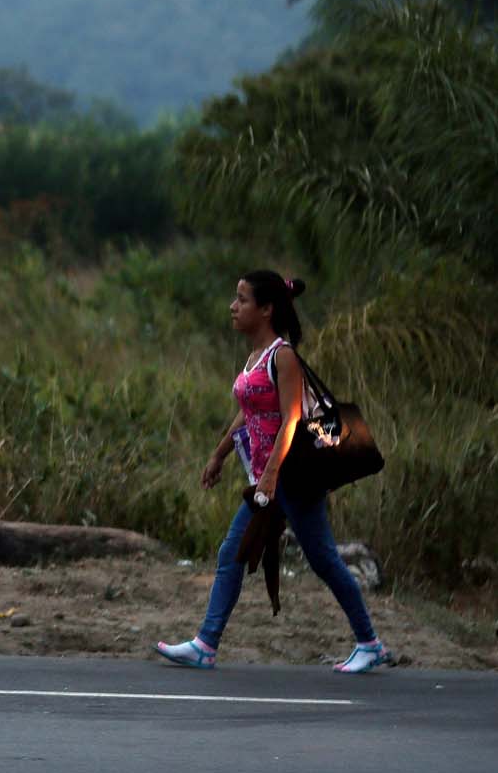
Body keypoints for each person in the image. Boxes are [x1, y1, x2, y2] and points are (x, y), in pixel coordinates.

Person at [155, 271, 392, 673]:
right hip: (268, 479)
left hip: (291, 479)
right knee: (232, 553)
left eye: (243, 300)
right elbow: (248, 414)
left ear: (266, 310)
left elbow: (292, 418)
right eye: (236, 298)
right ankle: (205, 646)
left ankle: (370, 643)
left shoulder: (282, 356)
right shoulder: (255, 358)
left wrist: (270, 476)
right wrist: (219, 454)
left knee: (324, 560)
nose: (234, 307)